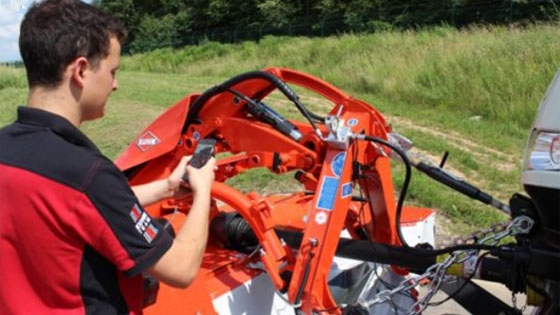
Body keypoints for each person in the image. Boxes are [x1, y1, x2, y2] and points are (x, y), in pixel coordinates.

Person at [0, 0, 215, 314]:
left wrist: (167, 188)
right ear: (82, 70)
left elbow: (73, 208)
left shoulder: (11, 149)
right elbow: (181, 269)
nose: (115, 85)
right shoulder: (87, 173)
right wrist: (204, 189)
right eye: (112, 70)